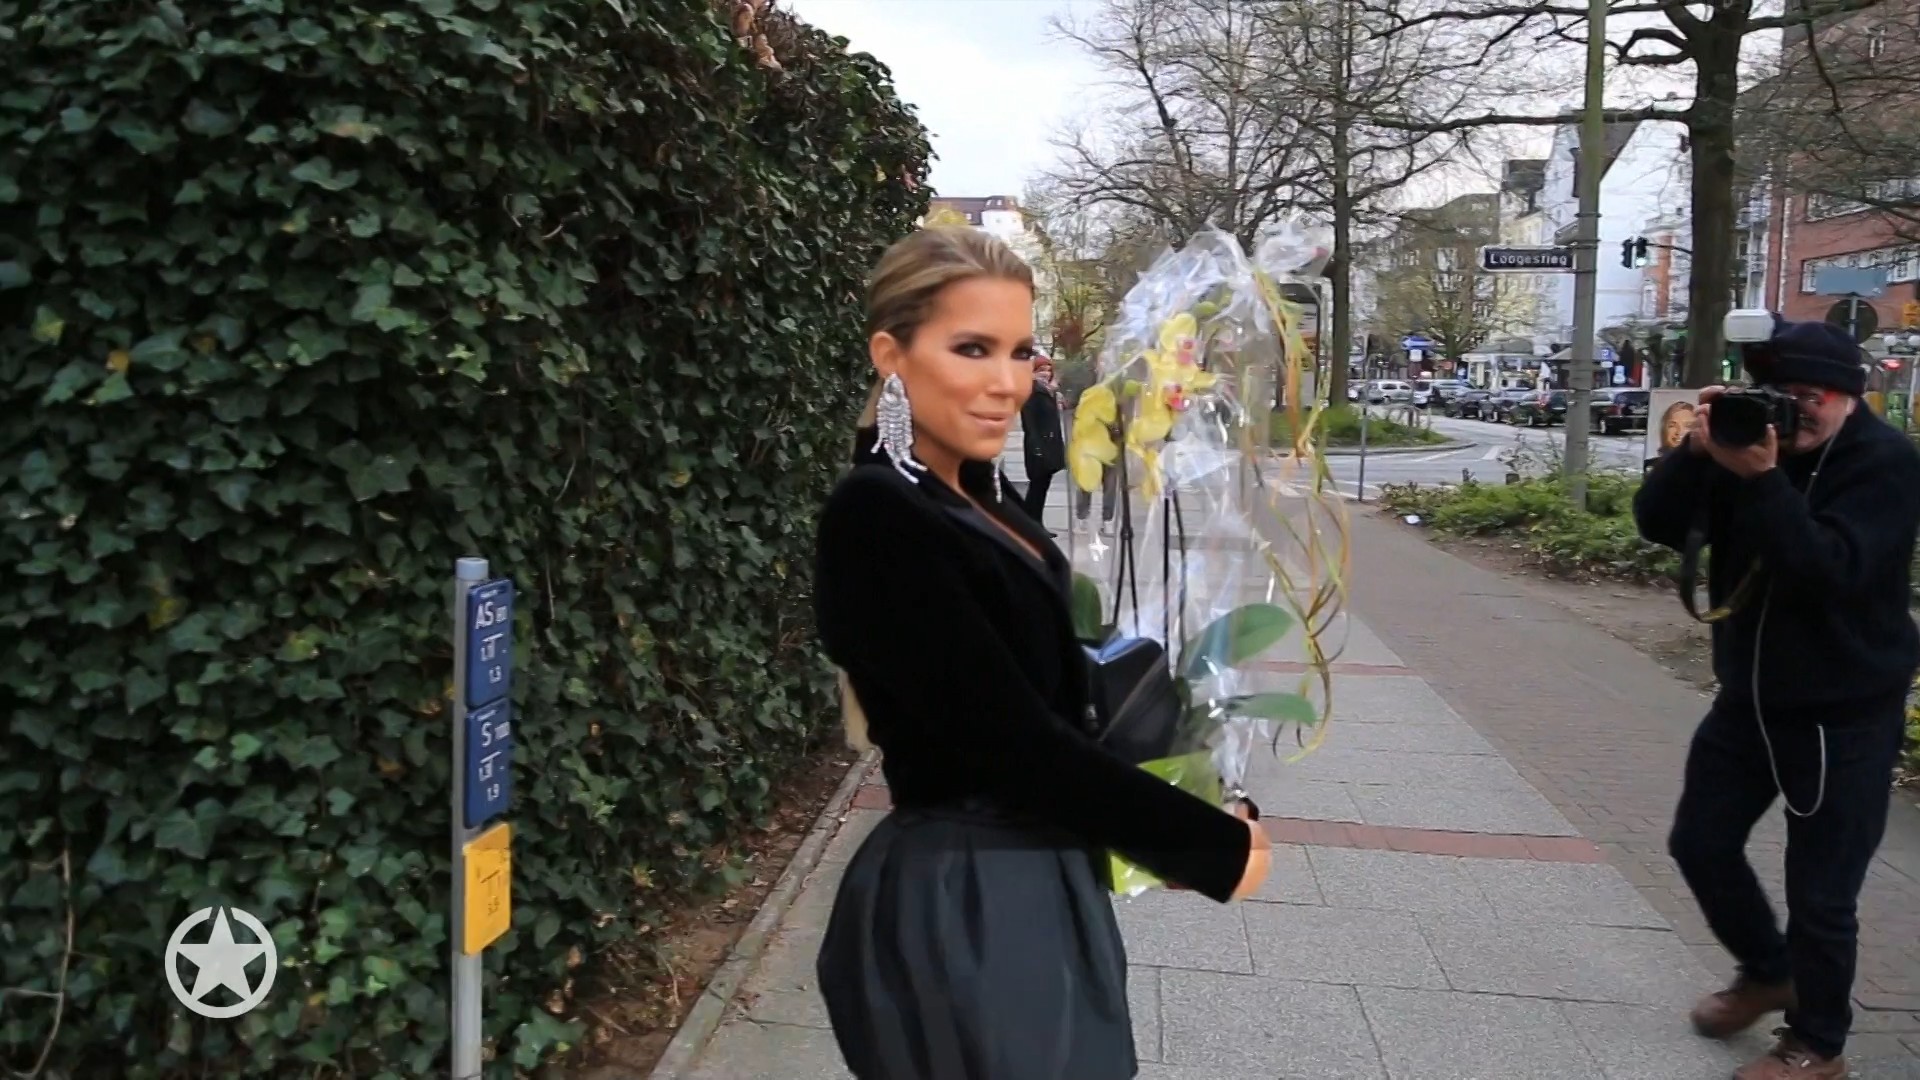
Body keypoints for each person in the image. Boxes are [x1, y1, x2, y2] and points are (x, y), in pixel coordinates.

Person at [812, 226, 1271, 1080]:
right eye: (972, 348)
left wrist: (1176, 767)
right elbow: (1012, 743)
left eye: (1020, 352)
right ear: (892, 356)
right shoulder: (879, 515)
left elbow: (1049, 695)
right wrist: (1203, 844)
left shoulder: (974, 502)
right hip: (969, 898)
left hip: (1036, 881)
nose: (1007, 382)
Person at [1632, 320, 1920, 1080]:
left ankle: (1816, 1046)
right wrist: (1696, 455)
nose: (1793, 412)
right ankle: (1767, 971)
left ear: (1848, 396)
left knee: (1820, 893)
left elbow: (1829, 572)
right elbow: (1657, 524)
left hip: (1842, 711)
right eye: (1778, 395)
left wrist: (1762, 481)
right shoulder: (1746, 441)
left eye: (1809, 397)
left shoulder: (1884, 464)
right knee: (1699, 842)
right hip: (1750, 698)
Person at [1020, 357, 1066, 531]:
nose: (1046, 374)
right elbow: (1029, 422)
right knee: (1037, 488)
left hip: (1050, 445)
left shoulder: (1048, 391)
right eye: (1041, 370)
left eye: (1048, 370)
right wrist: (1036, 447)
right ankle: (1031, 525)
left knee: (1042, 488)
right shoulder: (1032, 391)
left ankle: (1035, 524)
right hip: (1039, 447)